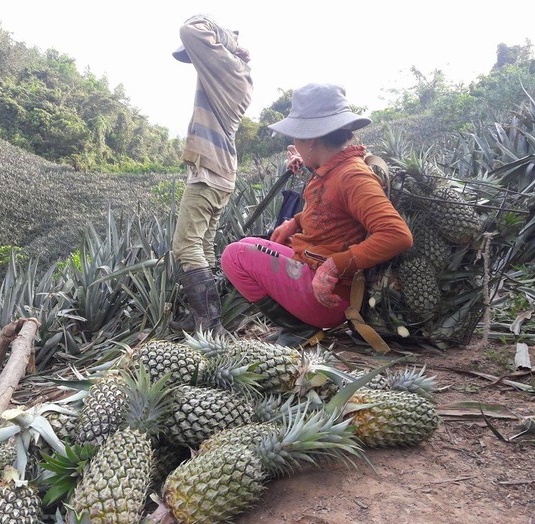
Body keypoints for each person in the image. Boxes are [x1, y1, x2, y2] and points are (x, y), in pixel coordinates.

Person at [220, 83, 413, 345]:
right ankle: (298, 326)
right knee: (246, 245)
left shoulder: (352, 176)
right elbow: (333, 211)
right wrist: (295, 222)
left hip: (328, 297)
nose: (295, 144)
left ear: (311, 139)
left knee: (235, 255)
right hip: (314, 274)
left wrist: (334, 266)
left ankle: (299, 328)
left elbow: (397, 235)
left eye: (296, 138)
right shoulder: (333, 169)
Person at [169, 15, 253, 335]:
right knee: (203, 246)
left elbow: (191, 28)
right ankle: (205, 316)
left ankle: (210, 324)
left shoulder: (228, 69)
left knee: (185, 245)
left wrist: (230, 41)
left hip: (211, 170)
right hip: (219, 169)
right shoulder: (231, 74)